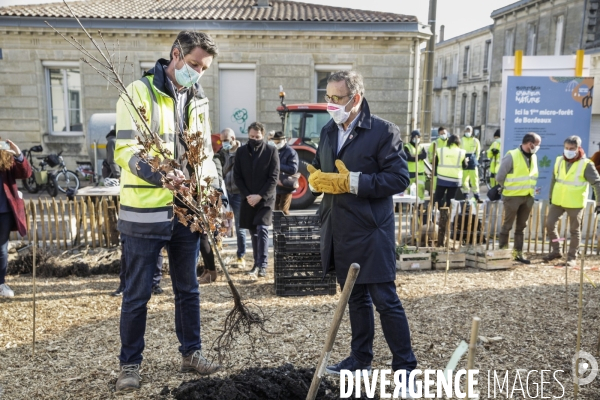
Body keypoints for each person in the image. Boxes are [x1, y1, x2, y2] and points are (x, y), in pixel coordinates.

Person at [113, 31, 221, 392]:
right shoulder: (137, 92)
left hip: (186, 212)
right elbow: (125, 151)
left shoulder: (199, 101)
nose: (198, 74)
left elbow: (204, 155)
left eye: (204, 69)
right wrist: (160, 173)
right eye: (193, 65)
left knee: (188, 289)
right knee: (137, 293)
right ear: (175, 54)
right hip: (144, 213)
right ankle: (130, 365)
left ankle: (191, 353)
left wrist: (210, 196)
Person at [307, 70, 417, 384]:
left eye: (336, 98)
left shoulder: (383, 131)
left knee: (385, 299)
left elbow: (398, 179)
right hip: (340, 227)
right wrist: (317, 182)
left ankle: (405, 369)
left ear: (356, 98)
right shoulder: (329, 131)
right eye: (327, 97)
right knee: (354, 298)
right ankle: (360, 359)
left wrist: (353, 181)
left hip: (371, 229)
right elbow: (323, 171)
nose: (330, 104)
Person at [544, 136, 600, 267]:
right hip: (558, 200)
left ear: (578, 148)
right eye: (566, 148)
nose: (568, 151)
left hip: (575, 202)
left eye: (572, 149)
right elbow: (554, 179)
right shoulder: (559, 160)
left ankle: (571, 257)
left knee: (574, 231)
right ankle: (556, 250)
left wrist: (599, 202)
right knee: (550, 225)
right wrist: (551, 196)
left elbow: (597, 183)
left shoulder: (586, 164)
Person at [233, 122, 279, 278]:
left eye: (257, 137)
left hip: (265, 198)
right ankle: (256, 264)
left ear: (263, 135)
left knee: (262, 229)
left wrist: (260, 196)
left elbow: (273, 178)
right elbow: (237, 177)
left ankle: (263, 264)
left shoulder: (271, 151)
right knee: (253, 232)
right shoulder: (241, 152)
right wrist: (248, 196)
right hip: (248, 199)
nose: (254, 139)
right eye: (251, 137)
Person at [496, 132, 542, 264]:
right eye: (537, 144)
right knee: (507, 226)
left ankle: (518, 254)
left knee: (521, 227)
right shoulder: (512, 155)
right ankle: (502, 254)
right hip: (512, 197)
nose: (538, 147)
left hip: (528, 197)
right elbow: (499, 177)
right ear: (530, 144)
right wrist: (507, 188)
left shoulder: (533, 157)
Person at [0, 139, 31, 298]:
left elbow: (26, 173)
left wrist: (18, 155)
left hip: (3, 212)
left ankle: (0, 284)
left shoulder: (5, 159)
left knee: (2, 250)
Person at [222, 130, 246, 267]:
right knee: (221, 222)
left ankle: (241, 255)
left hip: (238, 193)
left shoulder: (243, 151)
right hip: (225, 192)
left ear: (233, 138)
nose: (224, 143)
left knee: (240, 226)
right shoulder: (222, 152)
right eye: (222, 140)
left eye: (226, 139)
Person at [433, 134, 466, 208]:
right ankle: (448, 215)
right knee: (451, 199)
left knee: (438, 198)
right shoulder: (461, 152)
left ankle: (437, 214)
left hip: (442, 178)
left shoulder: (440, 150)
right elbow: (465, 166)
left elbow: (435, 163)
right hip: (455, 179)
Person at [272, 131, 299, 215]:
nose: (277, 143)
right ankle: (277, 227)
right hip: (275, 186)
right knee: (275, 211)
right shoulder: (274, 150)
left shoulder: (291, 152)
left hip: (286, 186)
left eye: (278, 142)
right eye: (275, 142)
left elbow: (293, 169)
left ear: (285, 140)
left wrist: (278, 165)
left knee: (283, 211)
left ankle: (285, 227)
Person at [461, 125, 482, 202]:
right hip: (464, 160)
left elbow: (478, 151)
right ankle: (465, 195)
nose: (468, 132)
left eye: (469, 131)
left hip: (472, 161)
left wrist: (475, 159)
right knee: (464, 179)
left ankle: (477, 196)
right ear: (464, 131)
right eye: (466, 131)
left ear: (471, 131)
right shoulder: (461, 140)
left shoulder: (475, 140)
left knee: (475, 179)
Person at [404, 130, 427, 200]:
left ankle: (420, 206)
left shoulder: (421, 147)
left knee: (420, 190)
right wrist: (418, 157)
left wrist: (415, 156)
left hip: (420, 172)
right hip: (410, 172)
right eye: (415, 137)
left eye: (419, 137)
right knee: (409, 190)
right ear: (412, 138)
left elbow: (424, 155)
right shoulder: (407, 146)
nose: (417, 139)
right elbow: (408, 157)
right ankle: (409, 206)